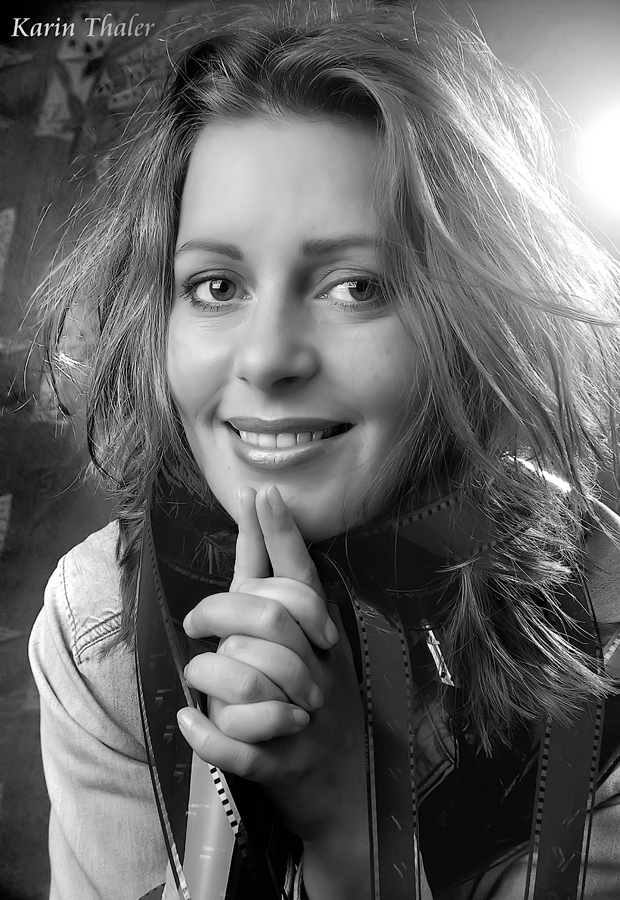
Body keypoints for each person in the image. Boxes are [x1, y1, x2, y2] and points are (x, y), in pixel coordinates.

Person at [28, 2, 620, 899]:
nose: (268, 359)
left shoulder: (604, 617)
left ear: (472, 319)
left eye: (357, 286)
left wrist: (351, 824)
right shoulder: (100, 626)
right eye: (216, 286)